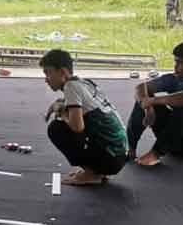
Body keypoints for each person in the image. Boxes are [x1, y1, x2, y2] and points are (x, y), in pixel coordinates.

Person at [41, 49, 128, 186]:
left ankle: (92, 173)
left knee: (56, 128)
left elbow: (77, 126)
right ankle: (95, 170)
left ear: (63, 72)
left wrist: (61, 113)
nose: (46, 79)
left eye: (48, 73)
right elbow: (72, 105)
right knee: (66, 122)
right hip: (118, 155)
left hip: (111, 159)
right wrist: (57, 106)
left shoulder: (70, 87)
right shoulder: (84, 82)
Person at [127, 40, 183, 166]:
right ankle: (130, 148)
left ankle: (155, 154)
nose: (175, 67)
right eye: (175, 62)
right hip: (175, 142)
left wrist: (153, 101)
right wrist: (148, 107)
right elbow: (141, 87)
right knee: (143, 98)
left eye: (180, 63)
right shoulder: (174, 78)